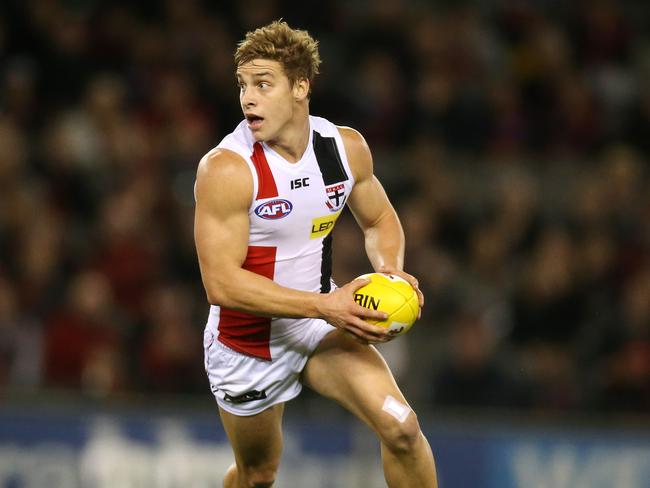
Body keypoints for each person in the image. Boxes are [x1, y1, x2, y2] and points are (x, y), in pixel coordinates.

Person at [194, 20, 438, 488]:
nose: (248, 98)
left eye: (263, 84)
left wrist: (390, 271)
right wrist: (325, 305)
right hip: (248, 344)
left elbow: (380, 220)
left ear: (301, 87)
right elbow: (220, 284)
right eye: (243, 85)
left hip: (320, 325)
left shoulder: (343, 149)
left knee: (403, 429)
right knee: (258, 475)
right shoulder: (226, 169)